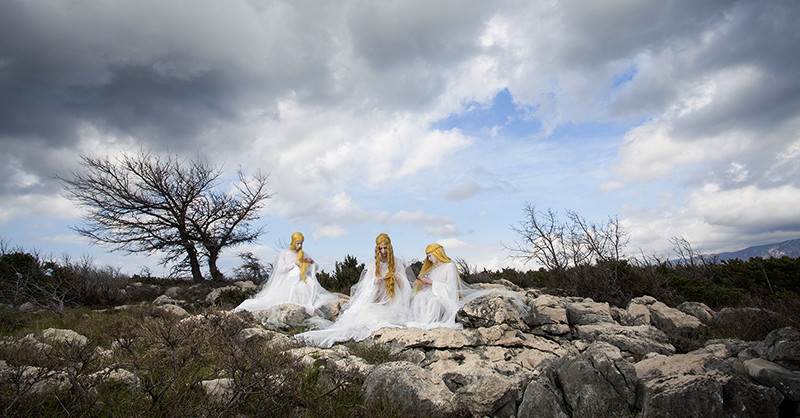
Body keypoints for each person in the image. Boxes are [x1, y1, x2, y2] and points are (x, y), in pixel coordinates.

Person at [297, 233, 412, 347]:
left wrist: (393, 277)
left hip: (392, 300)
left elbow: (404, 285)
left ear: (389, 247)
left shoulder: (397, 262)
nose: (383, 251)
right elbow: (367, 287)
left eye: (385, 248)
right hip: (376, 299)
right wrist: (375, 281)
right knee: (365, 319)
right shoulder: (372, 264)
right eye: (380, 248)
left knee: (389, 319)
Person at [234, 232, 338, 315]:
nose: (300, 245)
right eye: (297, 243)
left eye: (301, 243)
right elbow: (280, 269)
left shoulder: (304, 254)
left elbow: (315, 267)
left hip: (302, 279)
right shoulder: (284, 254)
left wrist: (310, 263)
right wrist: (294, 264)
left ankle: (305, 308)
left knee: (308, 288)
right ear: (293, 242)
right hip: (288, 281)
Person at [407, 243, 463, 329]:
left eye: (430, 256)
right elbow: (428, 287)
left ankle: (427, 322)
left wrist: (431, 282)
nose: (429, 259)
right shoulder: (433, 269)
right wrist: (421, 283)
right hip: (433, 293)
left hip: (445, 298)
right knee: (419, 297)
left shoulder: (450, 266)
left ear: (437, 253)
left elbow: (451, 288)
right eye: (428, 257)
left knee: (434, 302)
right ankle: (420, 321)